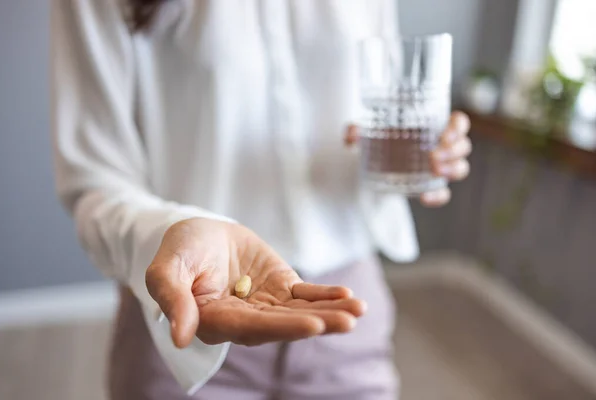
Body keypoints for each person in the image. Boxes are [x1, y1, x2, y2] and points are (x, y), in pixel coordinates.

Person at [51, 0, 472, 399]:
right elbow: (95, 179)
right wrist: (170, 232)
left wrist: (419, 158)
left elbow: (379, 120)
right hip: (193, 317)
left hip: (345, 307)